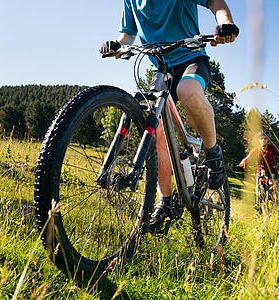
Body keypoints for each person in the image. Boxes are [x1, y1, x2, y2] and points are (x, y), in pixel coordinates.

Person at [100, 0, 239, 232]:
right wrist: (117, 44)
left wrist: (225, 23)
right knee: (156, 128)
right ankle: (164, 201)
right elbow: (127, 35)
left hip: (192, 60)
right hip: (161, 68)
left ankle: (213, 152)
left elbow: (215, 2)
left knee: (187, 91)